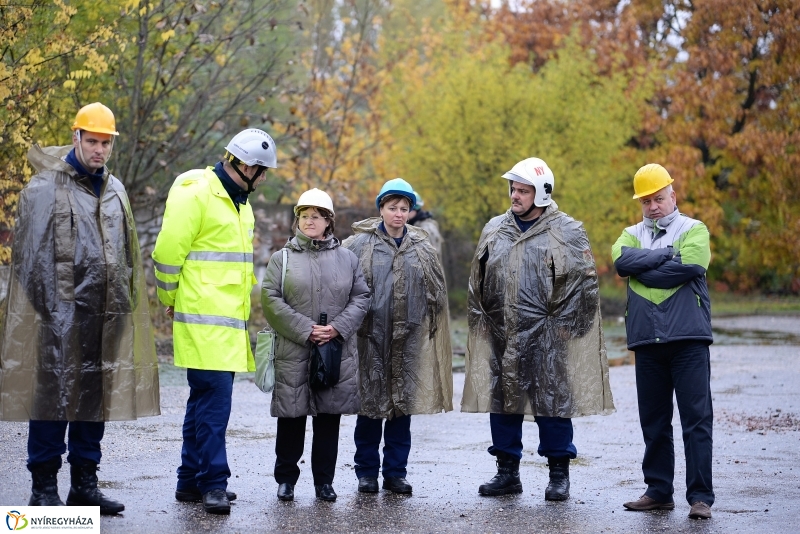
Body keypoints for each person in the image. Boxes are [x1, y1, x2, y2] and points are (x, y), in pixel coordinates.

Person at [0, 102, 160, 514]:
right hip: (58, 319)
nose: (99, 150)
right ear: (76, 137)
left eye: (105, 143)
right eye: (92, 141)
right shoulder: (43, 188)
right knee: (52, 399)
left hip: (106, 317)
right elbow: (29, 260)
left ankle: (84, 485)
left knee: (93, 401)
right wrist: (53, 312)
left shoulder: (116, 190)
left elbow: (126, 256)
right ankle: (43, 487)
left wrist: (122, 307)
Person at [462, 157, 614, 501]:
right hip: (503, 332)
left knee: (553, 403)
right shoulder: (495, 228)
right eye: (513, 189)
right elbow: (476, 280)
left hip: (548, 335)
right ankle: (507, 472)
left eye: (523, 190)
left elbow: (586, 284)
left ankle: (559, 473)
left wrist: (572, 327)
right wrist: (480, 321)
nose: (515, 195)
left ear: (542, 194)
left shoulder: (568, 230)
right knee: (503, 400)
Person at [152, 128, 276, 514]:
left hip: (226, 326)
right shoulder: (196, 191)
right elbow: (167, 254)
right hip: (204, 324)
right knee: (215, 406)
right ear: (243, 165)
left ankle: (189, 481)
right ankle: (213, 484)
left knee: (201, 403)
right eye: (262, 170)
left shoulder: (241, 204)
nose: (265, 178)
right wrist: (169, 299)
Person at [612, 163, 714, 520]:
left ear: (673, 196)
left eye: (658, 198)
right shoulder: (630, 233)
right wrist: (666, 255)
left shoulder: (694, 229)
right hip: (647, 342)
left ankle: (700, 497)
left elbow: (692, 265)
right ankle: (659, 491)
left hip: (688, 339)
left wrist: (647, 268)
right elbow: (622, 262)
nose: (653, 206)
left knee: (696, 421)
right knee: (653, 422)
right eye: (646, 201)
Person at [343, 178, 452, 495]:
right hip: (369, 340)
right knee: (369, 409)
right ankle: (366, 472)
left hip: (408, 340)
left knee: (401, 410)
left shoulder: (421, 247)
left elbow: (436, 293)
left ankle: (395, 473)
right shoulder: (358, 245)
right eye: (393, 208)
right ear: (381, 209)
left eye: (405, 208)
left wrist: (429, 328)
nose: (399, 214)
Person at [261, 188, 370, 503]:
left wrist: (337, 328)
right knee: (291, 419)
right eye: (305, 216)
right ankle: (286, 481)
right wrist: (305, 329)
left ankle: (324, 482)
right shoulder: (282, 259)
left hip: (333, 352)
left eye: (317, 216)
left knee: (328, 420)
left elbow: (361, 296)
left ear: (328, 222)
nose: (310, 221)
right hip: (294, 350)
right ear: (297, 220)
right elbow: (270, 298)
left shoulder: (347, 259)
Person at [408, 191, 443, 264]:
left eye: (405, 209)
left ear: (415, 208)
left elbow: (429, 260)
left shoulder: (426, 229)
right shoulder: (413, 225)